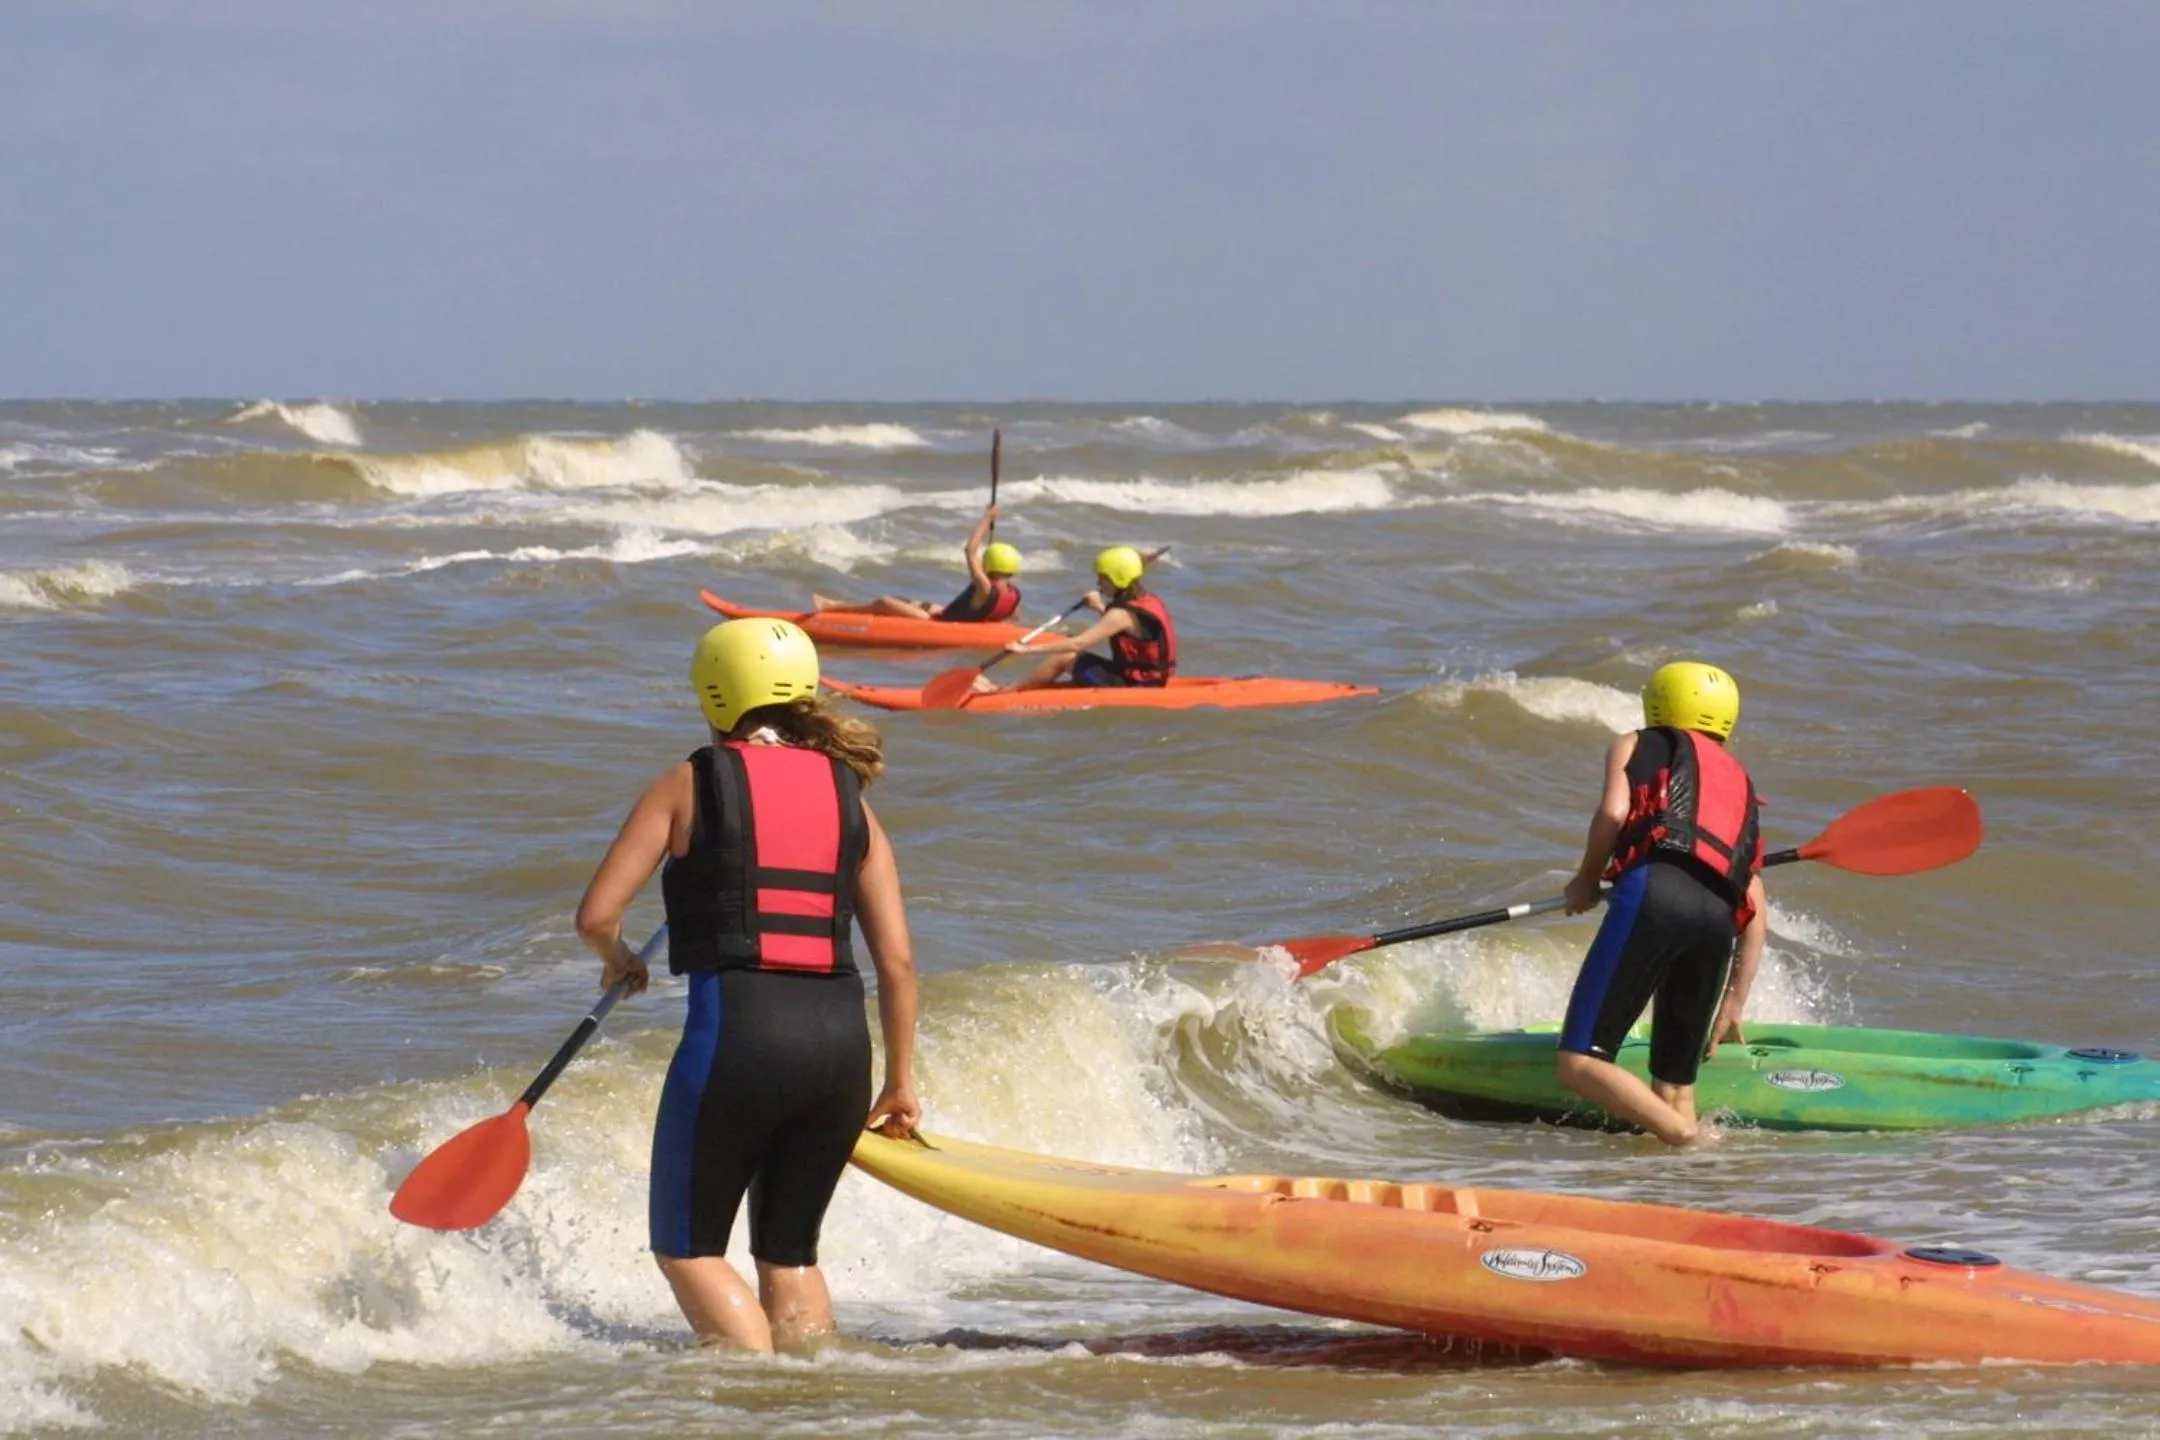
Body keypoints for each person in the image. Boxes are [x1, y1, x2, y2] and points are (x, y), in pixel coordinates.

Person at [574, 617, 921, 1351]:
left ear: (714, 694)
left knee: (689, 1249)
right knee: (790, 1255)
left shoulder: (690, 782)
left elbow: (597, 915)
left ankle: (754, 1392)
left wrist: (620, 957)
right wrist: (900, 1083)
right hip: (841, 1050)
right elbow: (897, 964)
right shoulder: (851, 797)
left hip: (741, 1035)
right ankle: (814, 1394)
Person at [1555, 660, 1768, 1146]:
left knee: (1579, 1063)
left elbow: (1614, 812)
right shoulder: (1741, 785)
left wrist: (1585, 881)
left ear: (1657, 703)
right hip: (1717, 920)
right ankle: (1687, 1175)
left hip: (1655, 895)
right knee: (1674, 1087)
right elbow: (1756, 906)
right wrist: (1734, 1002)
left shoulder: (1638, 742)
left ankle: (1689, 1138)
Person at [975, 544, 1175, 693]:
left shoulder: (1121, 614)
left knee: (1065, 654)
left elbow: (1078, 643)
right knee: (1069, 653)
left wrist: (1027, 649)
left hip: (1136, 685)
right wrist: (1099, 607)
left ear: (1118, 579)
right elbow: (1126, 627)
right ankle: (1018, 686)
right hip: (1147, 679)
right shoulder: (1145, 599)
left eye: (1103, 577)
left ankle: (1009, 691)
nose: (1098, 582)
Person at [811, 504, 1022, 623]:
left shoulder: (985, 587)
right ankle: (848, 608)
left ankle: (833, 609)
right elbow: (1006, 614)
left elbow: (970, 551)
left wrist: (987, 519)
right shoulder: (1013, 594)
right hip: (950, 617)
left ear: (988, 562)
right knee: (917, 603)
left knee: (884, 602)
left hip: (938, 624)